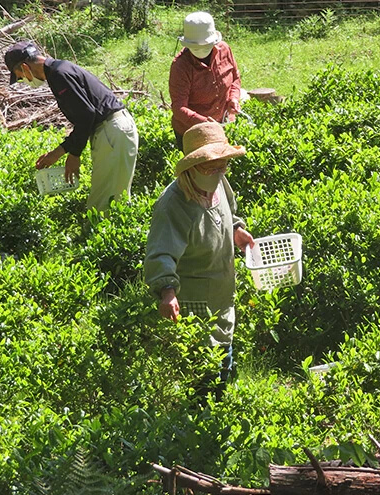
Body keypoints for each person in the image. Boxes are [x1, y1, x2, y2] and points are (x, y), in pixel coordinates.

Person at [144, 121, 254, 388]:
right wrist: (167, 291)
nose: (218, 171)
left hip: (222, 290)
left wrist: (236, 229)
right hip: (193, 300)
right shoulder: (174, 204)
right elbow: (161, 251)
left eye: (222, 164)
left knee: (223, 355)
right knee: (201, 370)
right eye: (210, 166)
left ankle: (220, 397)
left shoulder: (218, 182)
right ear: (192, 168)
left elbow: (228, 212)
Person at [4, 41, 139, 213]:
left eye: (20, 76)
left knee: (102, 207)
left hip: (112, 130)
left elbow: (87, 116)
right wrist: (58, 153)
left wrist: (74, 154)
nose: (23, 80)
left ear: (25, 67)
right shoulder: (58, 70)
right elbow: (87, 115)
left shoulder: (59, 75)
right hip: (113, 130)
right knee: (113, 201)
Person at [169, 12, 242, 151]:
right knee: (199, 171)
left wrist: (233, 98)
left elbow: (235, 78)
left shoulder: (224, 50)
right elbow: (179, 108)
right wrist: (205, 123)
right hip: (193, 132)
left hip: (224, 123)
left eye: (206, 46)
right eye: (196, 47)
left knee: (223, 168)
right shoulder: (181, 66)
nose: (201, 50)